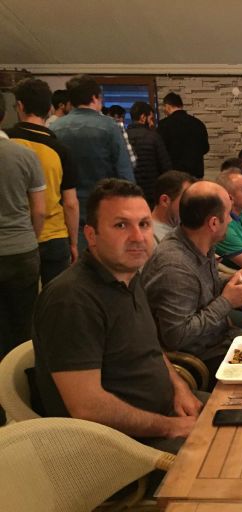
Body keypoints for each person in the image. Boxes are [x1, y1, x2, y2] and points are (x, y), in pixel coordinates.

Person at [33, 179, 201, 451]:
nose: (138, 237)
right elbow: (87, 407)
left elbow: (150, 348)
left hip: (165, 416)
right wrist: (171, 427)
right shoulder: (71, 299)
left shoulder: (128, 276)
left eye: (144, 224)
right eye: (121, 225)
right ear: (91, 235)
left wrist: (179, 387)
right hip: (120, 449)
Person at [142, 181, 242, 377]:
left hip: (222, 337)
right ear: (213, 223)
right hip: (202, 358)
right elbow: (177, 337)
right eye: (228, 215)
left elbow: (200, 286)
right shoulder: (173, 266)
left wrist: (230, 281)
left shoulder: (198, 241)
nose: (230, 221)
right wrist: (227, 301)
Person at [7, 78, 79, 285]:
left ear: (19, 106)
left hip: (15, 238)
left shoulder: (7, 142)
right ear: (49, 108)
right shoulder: (60, 150)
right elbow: (70, 203)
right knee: (54, 297)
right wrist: (74, 243)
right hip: (54, 236)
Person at [51, 74, 135, 251]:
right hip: (104, 207)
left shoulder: (55, 128)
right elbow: (124, 172)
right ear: (95, 97)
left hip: (66, 211)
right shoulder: (110, 126)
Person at [0, 94, 46, 358]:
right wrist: (31, 237)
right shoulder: (25, 155)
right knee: (24, 326)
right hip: (21, 249)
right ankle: (19, 377)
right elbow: (39, 210)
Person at [127, 101, 173, 207]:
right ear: (143, 117)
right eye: (151, 119)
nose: (152, 123)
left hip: (130, 191)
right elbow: (166, 167)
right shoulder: (153, 137)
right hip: (151, 192)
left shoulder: (122, 137)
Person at [157, 92, 209, 179]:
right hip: (195, 173)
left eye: (164, 107)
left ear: (167, 106)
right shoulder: (198, 123)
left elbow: (161, 151)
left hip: (174, 175)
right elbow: (205, 148)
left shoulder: (164, 125)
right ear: (181, 106)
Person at [151, 170, 196, 244]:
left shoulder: (182, 230)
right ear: (164, 200)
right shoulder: (150, 238)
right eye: (186, 200)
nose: (191, 208)